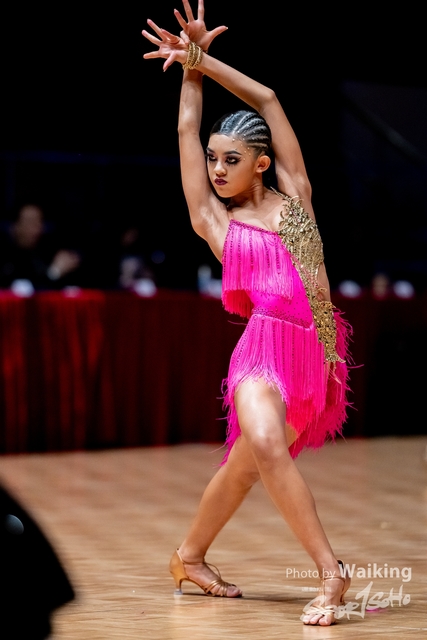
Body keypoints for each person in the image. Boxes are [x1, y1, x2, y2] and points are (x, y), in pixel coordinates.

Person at [143, 0, 352, 626]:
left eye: (230, 159)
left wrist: (206, 58)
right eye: (214, 158)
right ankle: (332, 573)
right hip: (261, 350)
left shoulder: (297, 199)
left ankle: (189, 557)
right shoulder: (216, 224)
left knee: (244, 469)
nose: (217, 169)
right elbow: (187, 132)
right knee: (261, 441)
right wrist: (189, 72)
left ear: (262, 164)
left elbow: (267, 98)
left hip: (315, 352)